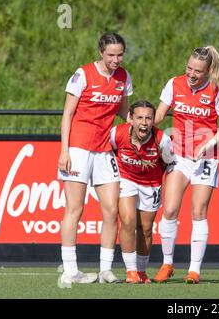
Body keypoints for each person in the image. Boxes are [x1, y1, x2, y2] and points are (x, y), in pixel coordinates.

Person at [57, 32, 133, 284]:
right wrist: (64, 151)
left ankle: (105, 270)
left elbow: (123, 110)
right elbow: (67, 114)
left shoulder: (123, 77)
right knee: (75, 210)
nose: (116, 59)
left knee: (112, 211)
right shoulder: (83, 74)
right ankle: (71, 271)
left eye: (120, 54)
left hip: (104, 150)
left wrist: (137, 123)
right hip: (78, 148)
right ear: (101, 52)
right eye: (111, 55)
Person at [153, 46, 219, 284]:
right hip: (179, 155)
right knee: (169, 210)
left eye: (198, 70)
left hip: (206, 157)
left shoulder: (218, 90)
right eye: (189, 68)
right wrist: (137, 122)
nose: (192, 73)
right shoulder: (174, 84)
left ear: (208, 71)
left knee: (198, 211)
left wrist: (208, 144)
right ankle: (167, 264)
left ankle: (194, 270)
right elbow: (158, 117)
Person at [109, 100, 175, 284]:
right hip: (126, 179)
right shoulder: (117, 133)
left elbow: (169, 163)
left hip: (151, 184)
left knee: (145, 229)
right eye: (139, 118)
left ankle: (141, 270)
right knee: (128, 221)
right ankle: (131, 272)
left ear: (154, 120)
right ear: (130, 118)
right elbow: (107, 151)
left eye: (148, 118)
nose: (144, 123)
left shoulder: (162, 140)